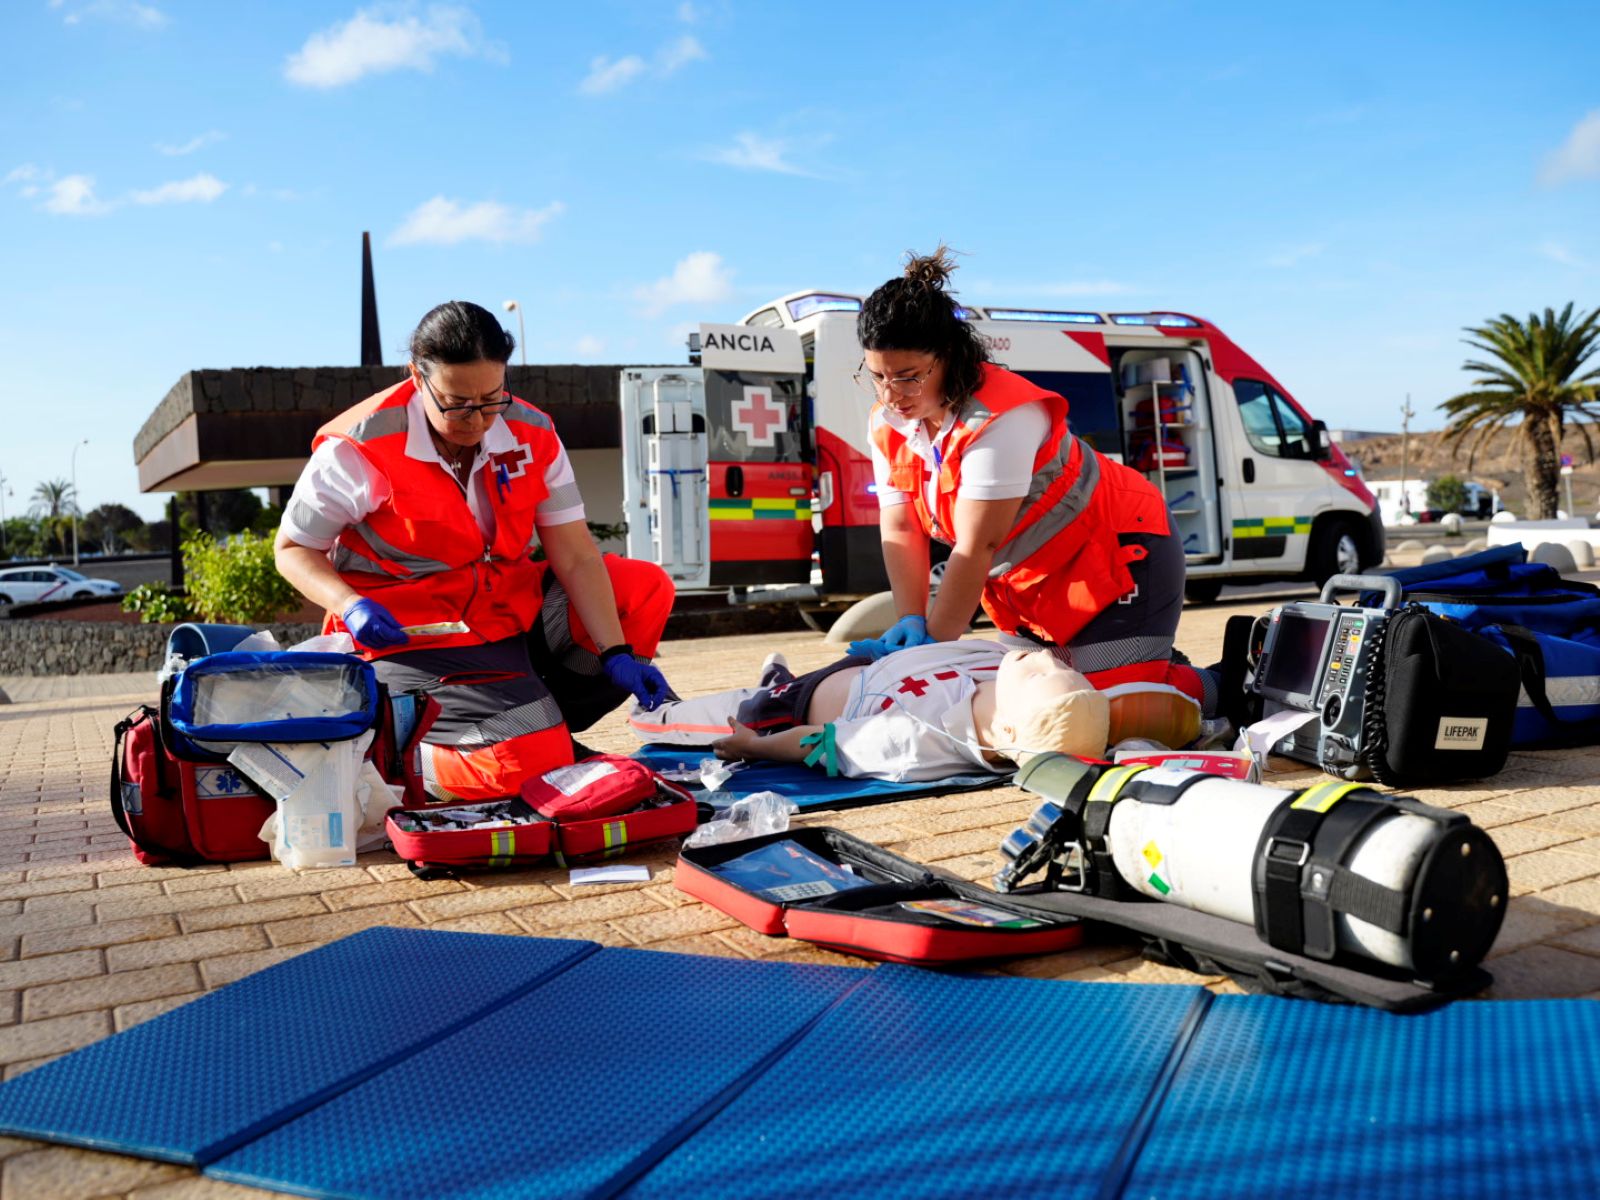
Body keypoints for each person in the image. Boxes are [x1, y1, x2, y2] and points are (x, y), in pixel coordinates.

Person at [275, 300, 676, 802]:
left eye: (491, 399)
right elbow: (292, 549)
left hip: (505, 623)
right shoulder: (360, 446)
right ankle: (399, 751)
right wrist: (349, 605)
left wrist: (616, 653)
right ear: (416, 376)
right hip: (406, 641)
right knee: (523, 773)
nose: (477, 419)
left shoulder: (534, 434)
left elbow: (576, 555)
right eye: (456, 402)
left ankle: (538, 727)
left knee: (644, 588)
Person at [846, 248, 1208, 747]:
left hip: (1121, 549)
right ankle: (1146, 660)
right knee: (1036, 706)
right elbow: (902, 526)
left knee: (1111, 709)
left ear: (948, 357)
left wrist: (930, 650)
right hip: (1032, 579)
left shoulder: (1003, 415)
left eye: (909, 376)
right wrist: (911, 618)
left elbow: (976, 545)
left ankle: (1226, 682)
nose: (891, 394)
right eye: (878, 376)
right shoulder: (888, 422)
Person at [628, 643, 1109, 782]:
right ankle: (775, 678)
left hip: (788, 710)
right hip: (862, 669)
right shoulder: (1002, 671)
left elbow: (821, 742)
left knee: (651, 720)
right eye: (1065, 669)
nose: (1047, 659)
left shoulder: (916, 741)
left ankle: (661, 711)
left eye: (1041, 676)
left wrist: (754, 746)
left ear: (1007, 727)